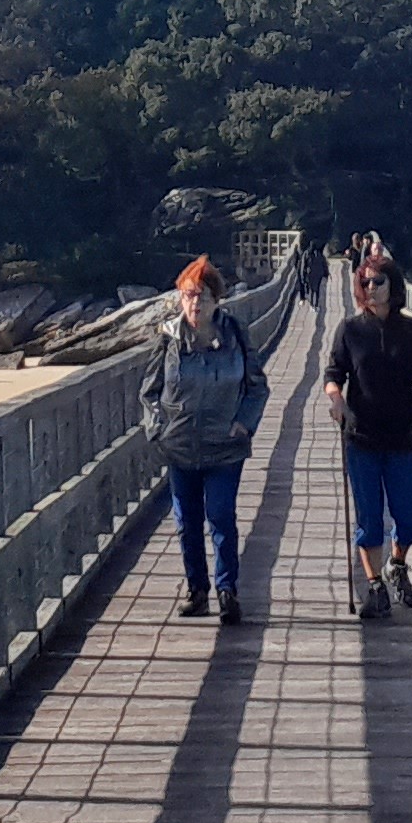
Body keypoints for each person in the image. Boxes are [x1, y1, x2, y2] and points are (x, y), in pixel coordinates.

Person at [143, 256, 268, 624]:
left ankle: (227, 590)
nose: (194, 303)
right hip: (180, 445)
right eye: (188, 295)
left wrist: (243, 424)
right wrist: (157, 429)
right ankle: (197, 591)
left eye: (202, 295)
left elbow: (258, 388)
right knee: (187, 522)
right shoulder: (168, 339)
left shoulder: (235, 336)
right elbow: (149, 392)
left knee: (221, 515)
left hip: (224, 446)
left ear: (217, 299)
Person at [323, 249, 412, 619]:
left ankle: (397, 564)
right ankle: (375, 586)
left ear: (394, 286)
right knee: (369, 517)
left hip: (402, 438)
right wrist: (336, 399)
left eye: (378, 281)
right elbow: (334, 372)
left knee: (409, 514)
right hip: (362, 438)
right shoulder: (351, 330)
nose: (371, 288)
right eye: (365, 282)